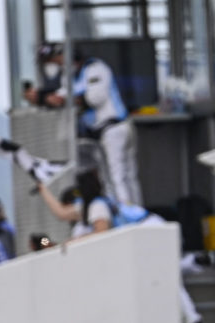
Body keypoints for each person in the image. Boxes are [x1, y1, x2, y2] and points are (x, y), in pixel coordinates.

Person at [34, 169, 210, 323]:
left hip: (148, 232)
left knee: (165, 276)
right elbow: (61, 216)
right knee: (164, 273)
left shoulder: (95, 209)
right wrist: (43, 189)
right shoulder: (96, 204)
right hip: (148, 229)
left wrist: (57, 244)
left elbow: (93, 234)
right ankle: (193, 262)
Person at [26, 43, 142, 206]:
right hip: (100, 134)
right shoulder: (69, 76)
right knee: (108, 178)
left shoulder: (95, 68)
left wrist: (65, 100)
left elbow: (95, 98)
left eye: (56, 59)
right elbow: (61, 96)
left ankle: (130, 214)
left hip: (115, 128)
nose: (56, 64)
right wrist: (41, 97)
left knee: (121, 176)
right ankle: (128, 211)